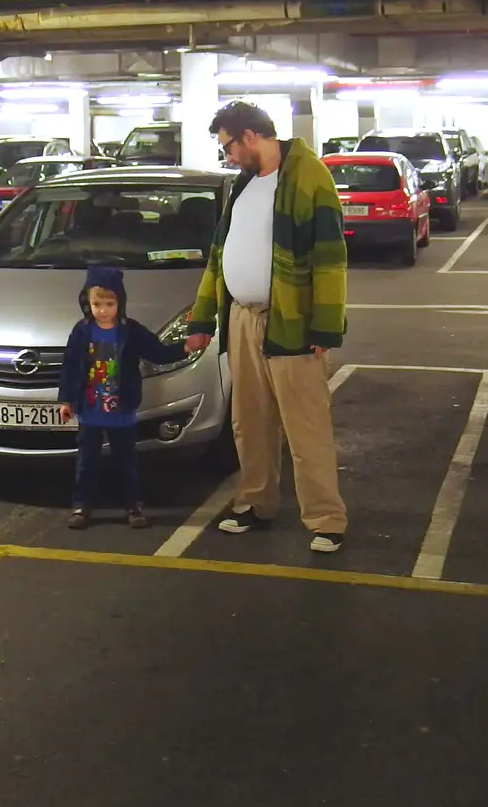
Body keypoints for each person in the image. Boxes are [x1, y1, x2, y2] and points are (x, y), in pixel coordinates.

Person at [184, 101, 350, 554]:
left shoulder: (308, 177)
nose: (228, 157)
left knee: (305, 426)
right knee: (249, 422)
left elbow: (331, 258)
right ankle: (255, 504)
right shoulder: (243, 186)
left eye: (229, 147)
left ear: (250, 136)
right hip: (240, 317)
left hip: (291, 322)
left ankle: (325, 519)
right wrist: (202, 320)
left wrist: (325, 328)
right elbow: (218, 258)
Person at [57, 266, 187, 530]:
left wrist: (184, 348)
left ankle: (133, 505)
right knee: (87, 462)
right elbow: (70, 367)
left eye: (109, 303)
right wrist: (66, 401)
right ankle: (82, 506)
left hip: (122, 412)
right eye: (96, 304)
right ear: (86, 303)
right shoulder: (81, 332)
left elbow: (157, 352)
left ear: (120, 302)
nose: (102, 310)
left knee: (126, 463)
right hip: (90, 412)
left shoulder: (130, 332)